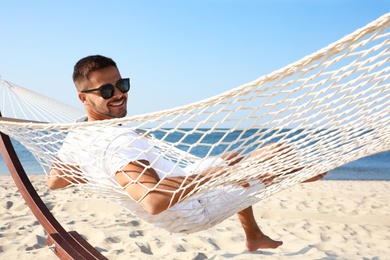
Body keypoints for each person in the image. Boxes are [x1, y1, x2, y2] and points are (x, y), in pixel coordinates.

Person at [48, 55, 326, 252]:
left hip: (181, 189)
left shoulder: (79, 135)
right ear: (83, 98)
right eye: (107, 90)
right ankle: (307, 172)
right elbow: (154, 200)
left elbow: (55, 181)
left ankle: (253, 234)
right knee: (279, 153)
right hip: (193, 210)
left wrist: (96, 170)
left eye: (122, 85)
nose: (118, 94)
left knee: (232, 158)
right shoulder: (119, 140)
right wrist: (210, 178)